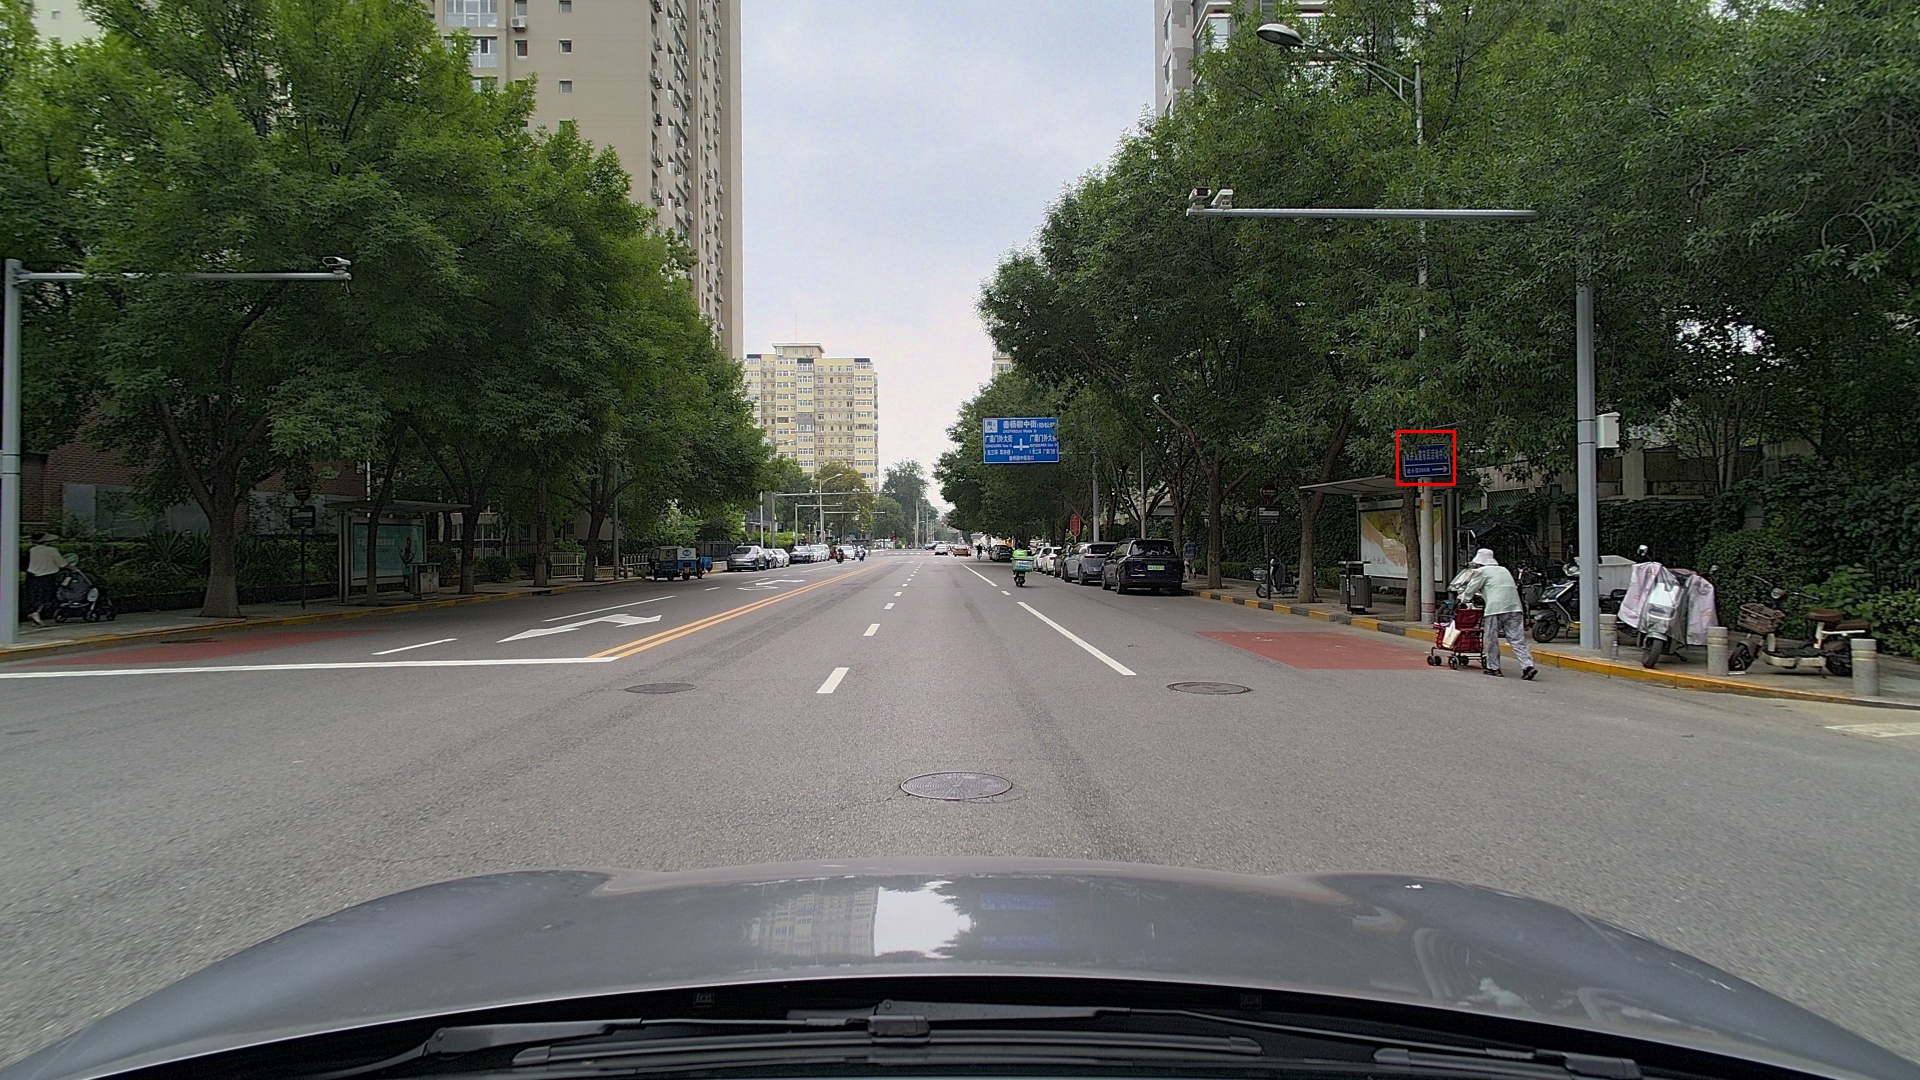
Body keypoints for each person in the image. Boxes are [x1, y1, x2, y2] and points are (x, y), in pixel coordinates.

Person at [1458, 547, 1537, 680]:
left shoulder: (1481, 571)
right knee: (1517, 639)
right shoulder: (1504, 570)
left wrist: (1463, 599)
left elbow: (1471, 589)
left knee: (1491, 639)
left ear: (1479, 562)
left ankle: (1493, 668)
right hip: (1515, 607)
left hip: (1495, 609)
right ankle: (1528, 666)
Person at [23, 532, 70, 627]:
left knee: (34, 596)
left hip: (32, 575)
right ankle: (36, 614)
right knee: (46, 597)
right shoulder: (52, 550)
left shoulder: (32, 550)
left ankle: (34, 615)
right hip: (47, 575)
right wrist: (74, 568)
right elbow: (62, 564)